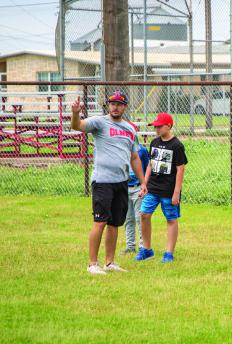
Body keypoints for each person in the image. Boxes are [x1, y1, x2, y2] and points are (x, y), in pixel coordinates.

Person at [71, 90, 147, 275]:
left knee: (114, 224)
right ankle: (92, 264)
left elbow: (134, 157)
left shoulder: (130, 129)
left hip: (121, 181)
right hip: (103, 181)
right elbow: (77, 126)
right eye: (112, 103)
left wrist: (143, 182)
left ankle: (109, 262)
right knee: (100, 222)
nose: (115, 107)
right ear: (108, 105)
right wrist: (75, 113)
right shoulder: (100, 122)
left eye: (119, 104)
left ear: (125, 107)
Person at [134, 112, 188, 263]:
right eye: (155, 126)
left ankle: (169, 253)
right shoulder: (154, 142)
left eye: (159, 126)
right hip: (153, 188)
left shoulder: (177, 145)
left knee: (171, 219)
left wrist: (176, 192)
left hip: (169, 191)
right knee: (144, 214)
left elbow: (180, 169)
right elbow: (151, 164)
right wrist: (144, 184)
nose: (156, 129)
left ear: (169, 126)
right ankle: (146, 249)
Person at [121, 122, 150, 256]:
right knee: (128, 218)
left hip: (138, 187)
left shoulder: (142, 151)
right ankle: (130, 246)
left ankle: (143, 246)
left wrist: (144, 185)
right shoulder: (120, 149)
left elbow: (145, 169)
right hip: (124, 187)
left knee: (140, 218)